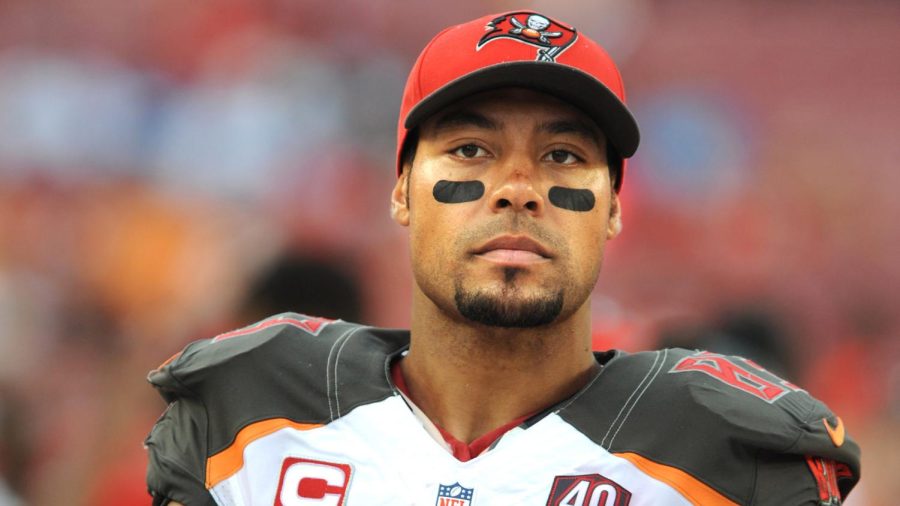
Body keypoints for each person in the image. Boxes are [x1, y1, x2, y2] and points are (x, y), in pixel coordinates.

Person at [145, 11, 860, 505]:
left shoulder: (718, 454)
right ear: (400, 189)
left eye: (562, 156)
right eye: (471, 150)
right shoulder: (250, 417)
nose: (518, 189)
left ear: (613, 206)